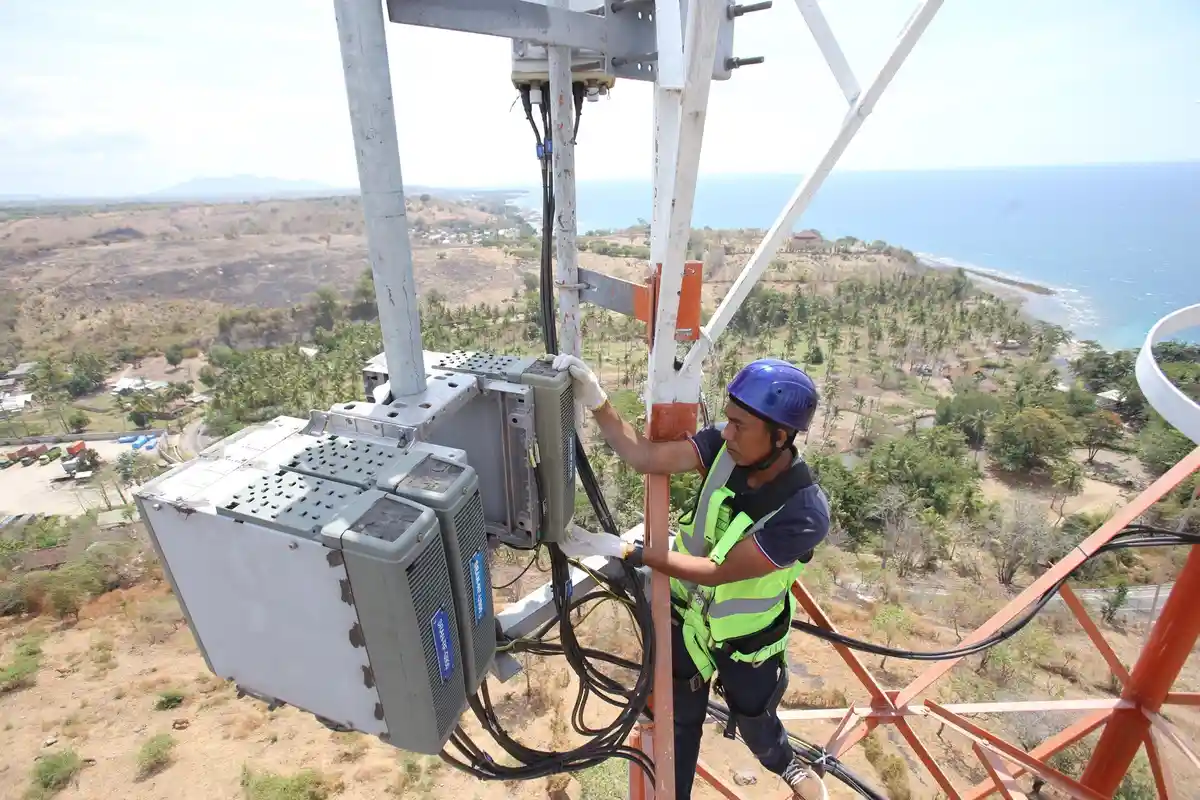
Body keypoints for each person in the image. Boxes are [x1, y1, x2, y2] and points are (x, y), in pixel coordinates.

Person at [553, 354, 831, 800]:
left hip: (747, 643)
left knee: (755, 719)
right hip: (688, 618)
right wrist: (598, 402)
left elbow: (717, 572)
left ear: (780, 437)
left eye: (740, 425)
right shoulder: (724, 448)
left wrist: (631, 551)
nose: (727, 432)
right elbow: (643, 456)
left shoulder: (803, 513)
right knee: (680, 719)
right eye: (728, 420)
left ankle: (786, 763)